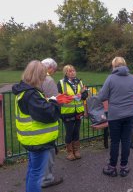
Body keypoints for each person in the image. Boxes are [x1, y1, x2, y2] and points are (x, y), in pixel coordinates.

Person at [12, 60, 60, 192]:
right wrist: (55, 101)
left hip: (31, 139)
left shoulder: (24, 91)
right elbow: (49, 114)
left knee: (33, 171)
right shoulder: (31, 94)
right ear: (38, 75)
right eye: (43, 75)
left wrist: (47, 101)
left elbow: (38, 109)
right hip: (38, 141)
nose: (45, 77)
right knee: (36, 174)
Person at [96, 57, 133, 177]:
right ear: (125, 64)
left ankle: (112, 167)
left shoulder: (110, 78)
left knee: (115, 141)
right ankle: (124, 167)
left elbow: (101, 97)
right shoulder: (132, 78)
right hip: (131, 113)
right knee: (126, 140)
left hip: (115, 115)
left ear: (114, 65)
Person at [40, 58, 63, 188]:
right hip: (47, 120)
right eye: (54, 70)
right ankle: (47, 179)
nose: (54, 72)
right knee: (49, 150)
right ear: (50, 68)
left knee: (38, 152)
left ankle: (38, 175)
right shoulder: (48, 80)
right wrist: (61, 99)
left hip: (32, 124)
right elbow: (54, 101)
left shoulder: (33, 78)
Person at [57, 65, 88, 160]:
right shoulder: (61, 83)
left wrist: (81, 95)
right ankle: (70, 152)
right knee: (69, 132)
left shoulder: (80, 82)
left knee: (76, 131)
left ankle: (77, 150)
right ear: (66, 73)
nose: (73, 72)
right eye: (70, 71)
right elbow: (58, 97)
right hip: (67, 112)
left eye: (74, 70)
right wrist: (68, 97)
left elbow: (85, 95)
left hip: (78, 111)